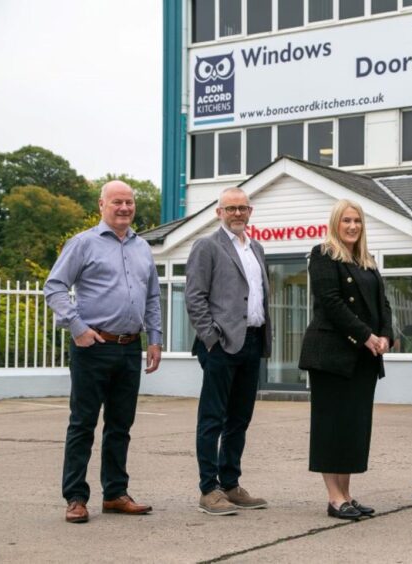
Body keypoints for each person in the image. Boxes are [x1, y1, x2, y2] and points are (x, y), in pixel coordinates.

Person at [45, 180, 162, 524]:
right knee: (82, 423)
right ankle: (76, 497)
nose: (124, 208)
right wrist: (77, 328)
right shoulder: (83, 244)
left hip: (129, 348)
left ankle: (115, 494)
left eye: (129, 202)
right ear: (102, 205)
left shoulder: (143, 247)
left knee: (120, 425)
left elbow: (153, 296)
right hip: (93, 347)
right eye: (117, 202)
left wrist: (154, 339)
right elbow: (54, 287)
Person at [299, 199, 393, 520]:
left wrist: (386, 335)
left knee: (352, 427)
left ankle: (347, 495)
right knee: (331, 427)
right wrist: (366, 335)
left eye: (357, 221)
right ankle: (334, 498)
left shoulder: (367, 260)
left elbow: (384, 303)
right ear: (336, 223)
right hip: (331, 356)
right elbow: (332, 303)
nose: (353, 226)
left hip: (363, 359)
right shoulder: (322, 254)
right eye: (346, 221)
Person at [185, 186, 272, 516]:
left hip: (251, 343)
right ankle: (209, 489)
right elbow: (194, 297)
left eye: (243, 208)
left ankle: (231, 483)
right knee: (212, 418)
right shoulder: (206, 246)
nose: (237, 213)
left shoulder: (256, 248)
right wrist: (211, 338)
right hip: (222, 345)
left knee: (239, 418)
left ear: (250, 212)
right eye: (231, 208)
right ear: (218, 212)